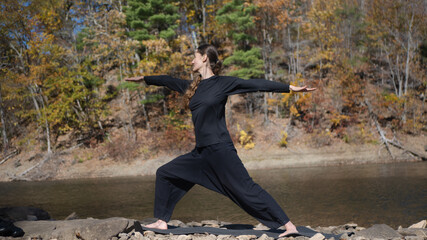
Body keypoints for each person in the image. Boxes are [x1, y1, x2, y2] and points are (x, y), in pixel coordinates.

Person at [125, 44, 316, 237]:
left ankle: (289, 226)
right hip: (200, 153)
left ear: (205, 58)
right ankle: (161, 221)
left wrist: (289, 88)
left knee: (246, 189)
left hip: (220, 150)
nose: (192, 61)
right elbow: (167, 80)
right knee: (165, 173)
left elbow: (255, 84)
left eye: (195, 57)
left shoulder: (223, 84)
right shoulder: (192, 87)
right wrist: (144, 79)